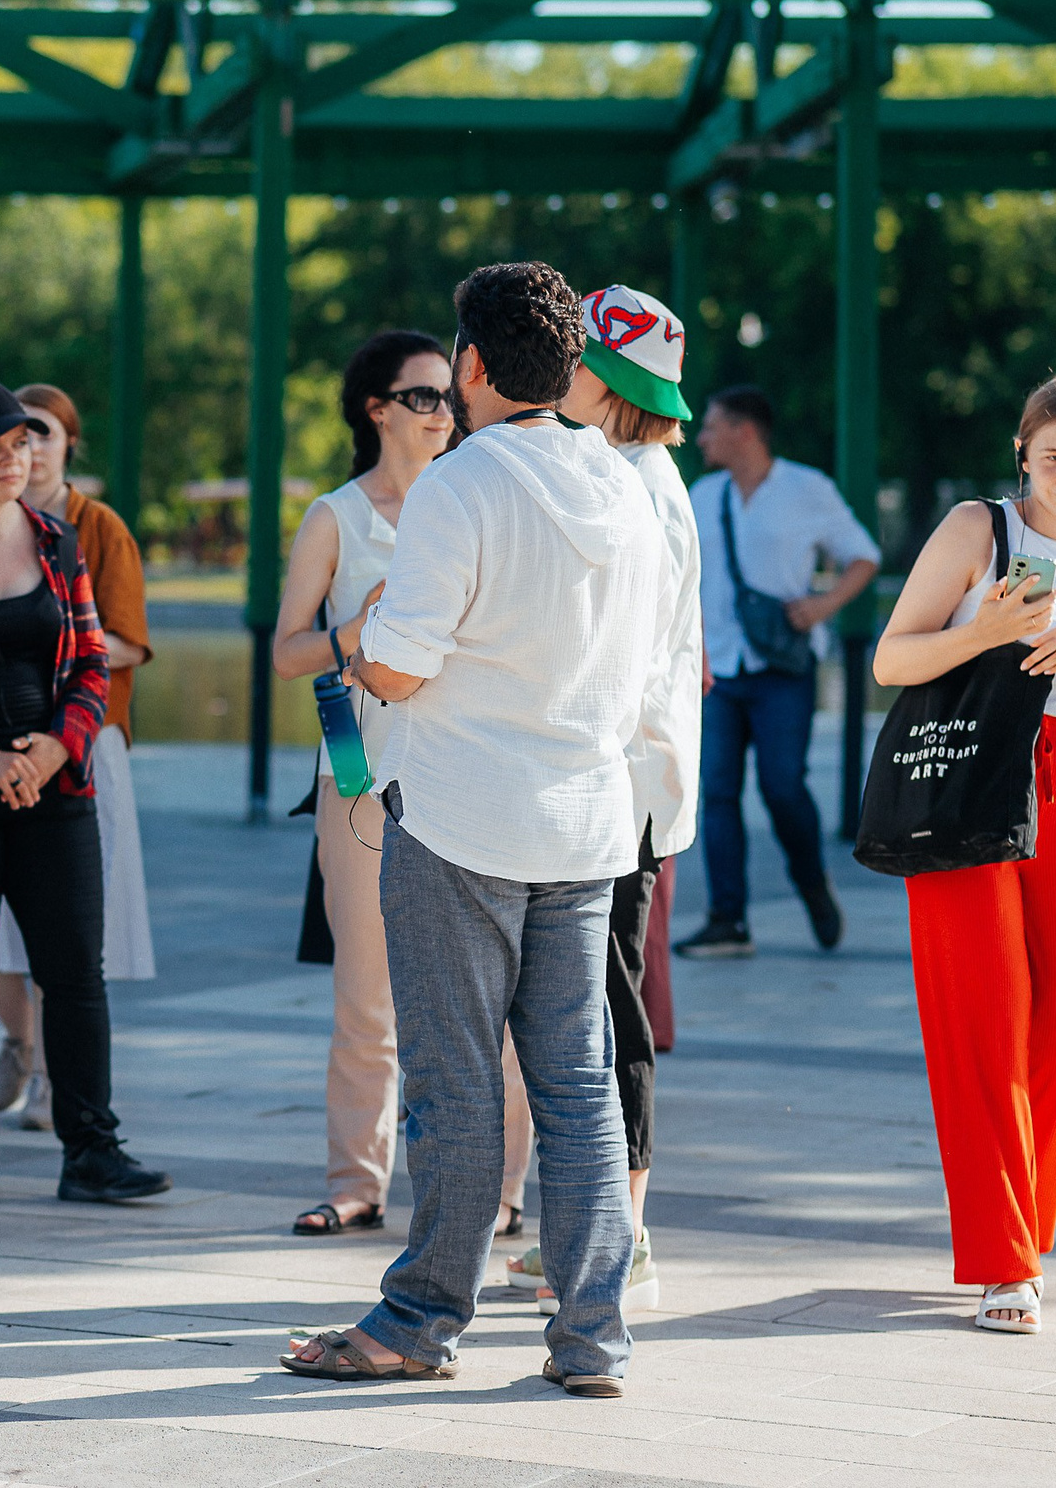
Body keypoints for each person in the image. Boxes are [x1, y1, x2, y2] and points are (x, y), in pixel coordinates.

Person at [281, 260, 660, 1398]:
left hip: (460, 819)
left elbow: (395, 665)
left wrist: (370, 638)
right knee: (576, 1081)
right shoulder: (624, 486)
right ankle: (592, 1337)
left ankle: (418, 1318)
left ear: (476, 367)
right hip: (588, 820)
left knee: (448, 1078)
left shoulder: (461, 483)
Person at [872, 371, 1056, 1335]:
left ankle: (1020, 1226)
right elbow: (891, 658)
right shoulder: (976, 528)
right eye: (1054, 458)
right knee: (983, 1012)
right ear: (1022, 453)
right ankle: (1007, 1261)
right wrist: (989, 629)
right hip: (970, 774)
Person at [0, 376, 168, 1208]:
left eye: (23, 443)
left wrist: (57, 747)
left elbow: (94, 659)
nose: (15, 458)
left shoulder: (59, 541)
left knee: (75, 972)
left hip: (56, 783)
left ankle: (90, 1145)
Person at [508, 285, 704, 1317]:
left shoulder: (632, 481)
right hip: (615, 780)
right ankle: (579, 1228)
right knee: (577, 1004)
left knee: (606, 1010)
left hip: (619, 785)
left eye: (574, 359)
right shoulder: (628, 470)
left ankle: (622, 1234)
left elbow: (628, 655)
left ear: (605, 380)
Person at [268, 330, 454, 1237]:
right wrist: (359, 630)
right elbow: (285, 650)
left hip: (466, 770)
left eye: (451, 396)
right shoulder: (335, 517)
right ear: (377, 408)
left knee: (487, 1000)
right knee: (366, 989)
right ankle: (356, 1179)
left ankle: (490, 1193)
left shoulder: (473, 503)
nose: (443, 413)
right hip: (358, 771)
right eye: (423, 396)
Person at [0, 381, 156, 1131]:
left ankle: (58, 1074)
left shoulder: (98, 527)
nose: (28, 447)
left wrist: (45, 643)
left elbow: (128, 641)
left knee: (69, 921)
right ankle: (19, 1043)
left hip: (85, 736)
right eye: (13, 434)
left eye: (42, 433)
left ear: (68, 444)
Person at [677, 385, 880, 959]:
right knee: (716, 792)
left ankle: (812, 883)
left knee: (782, 785)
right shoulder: (703, 494)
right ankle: (728, 920)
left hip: (783, 667)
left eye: (714, 425)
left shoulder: (806, 488)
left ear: (746, 431)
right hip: (717, 667)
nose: (705, 435)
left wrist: (823, 604)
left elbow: (863, 555)